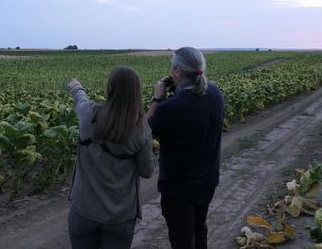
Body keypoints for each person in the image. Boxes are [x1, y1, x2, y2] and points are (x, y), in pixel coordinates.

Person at [66, 66, 154, 249]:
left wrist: (76, 87)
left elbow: (80, 100)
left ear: (110, 88)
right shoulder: (141, 131)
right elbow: (147, 172)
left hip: (83, 211)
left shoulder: (88, 114)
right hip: (119, 217)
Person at [146, 47, 224, 249]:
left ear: (178, 72)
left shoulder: (169, 108)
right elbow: (193, 102)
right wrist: (178, 91)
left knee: (182, 240)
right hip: (207, 182)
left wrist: (157, 98)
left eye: (172, 67)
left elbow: (143, 133)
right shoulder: (215, 94)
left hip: (179, 189)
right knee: (199, 231)